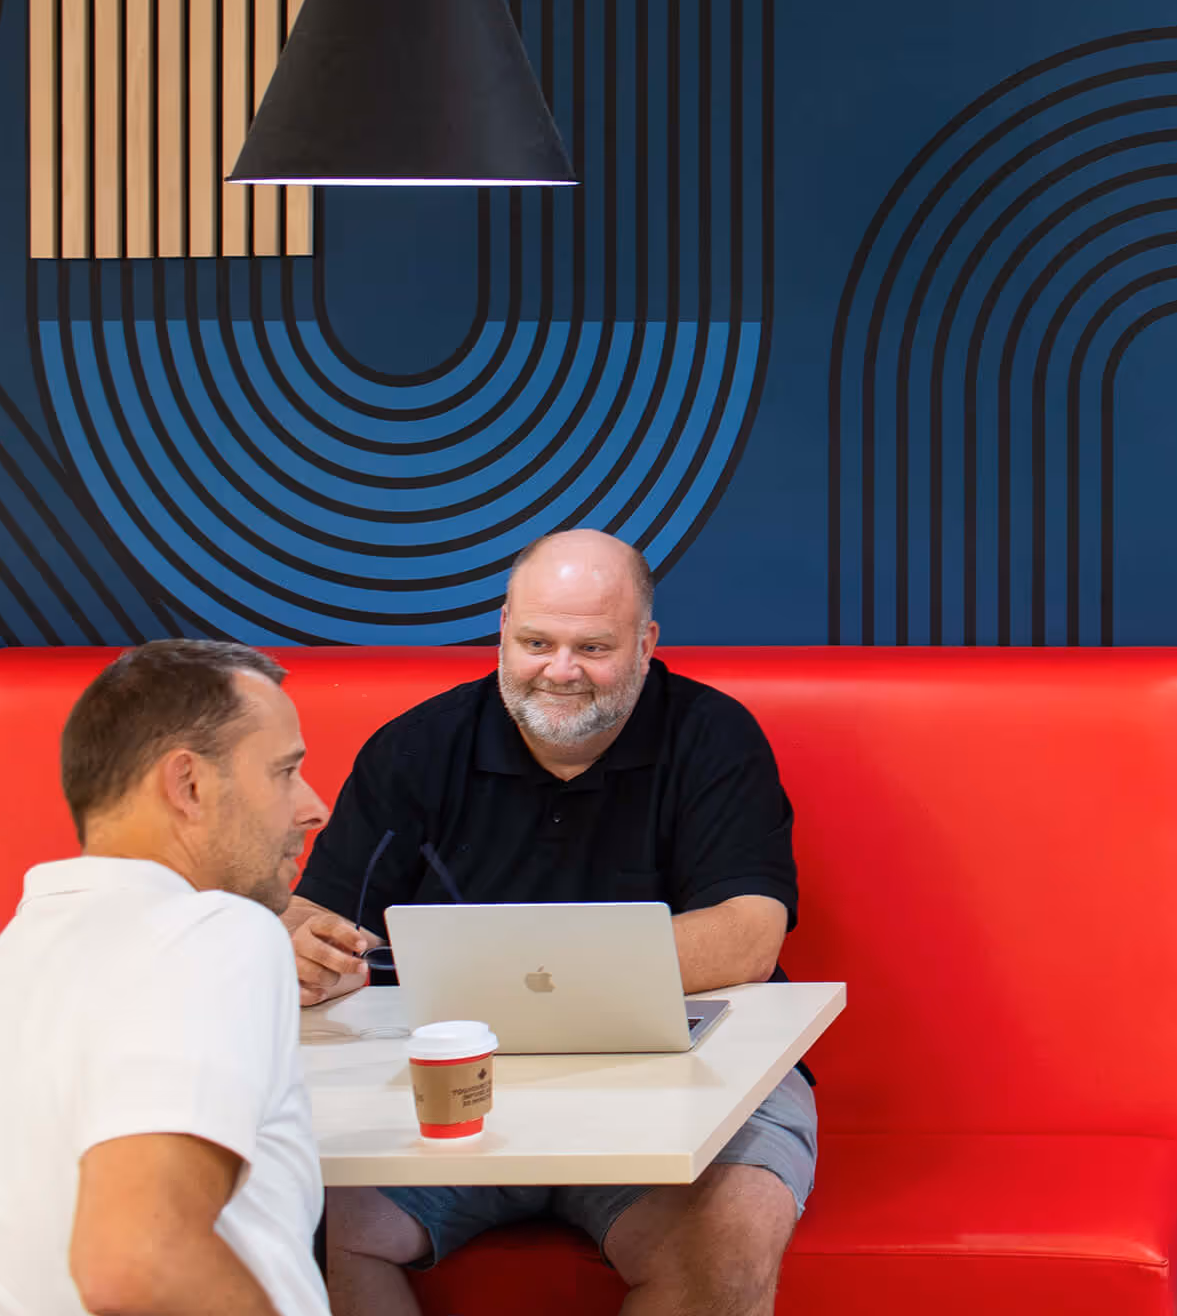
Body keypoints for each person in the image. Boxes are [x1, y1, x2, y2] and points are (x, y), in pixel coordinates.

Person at [285, 530, 810, 1316]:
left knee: (728, 1238)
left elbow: (750, 933)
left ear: (645, 643)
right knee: (306, 1220)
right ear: (502, 629)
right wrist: (296, 943)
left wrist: (518, 964)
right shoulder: (416, 748)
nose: (561, 671)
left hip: (694, 1082)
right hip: (455, 1087)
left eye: (593, 646)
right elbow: (316, 911)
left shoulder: (713, 737)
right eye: (537, 641)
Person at [0, 639, 331, 1316]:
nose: (313, 806)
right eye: (284, 772)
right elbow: (139, 1264)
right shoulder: (213, 930)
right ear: (188, 785)